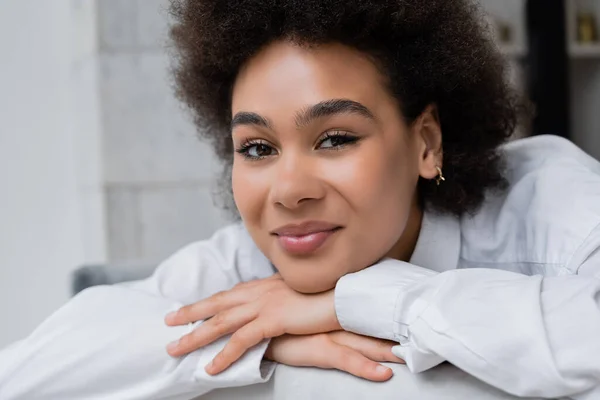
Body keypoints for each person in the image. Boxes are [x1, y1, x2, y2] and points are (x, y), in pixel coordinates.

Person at [1, 0, 600, 399]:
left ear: (426, 142)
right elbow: (26, 375)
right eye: (257, 148)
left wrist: (357, 303)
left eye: (335, 138)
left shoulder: (548, 200)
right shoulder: (243, 268)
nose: (289, 191)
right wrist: (267, 341)